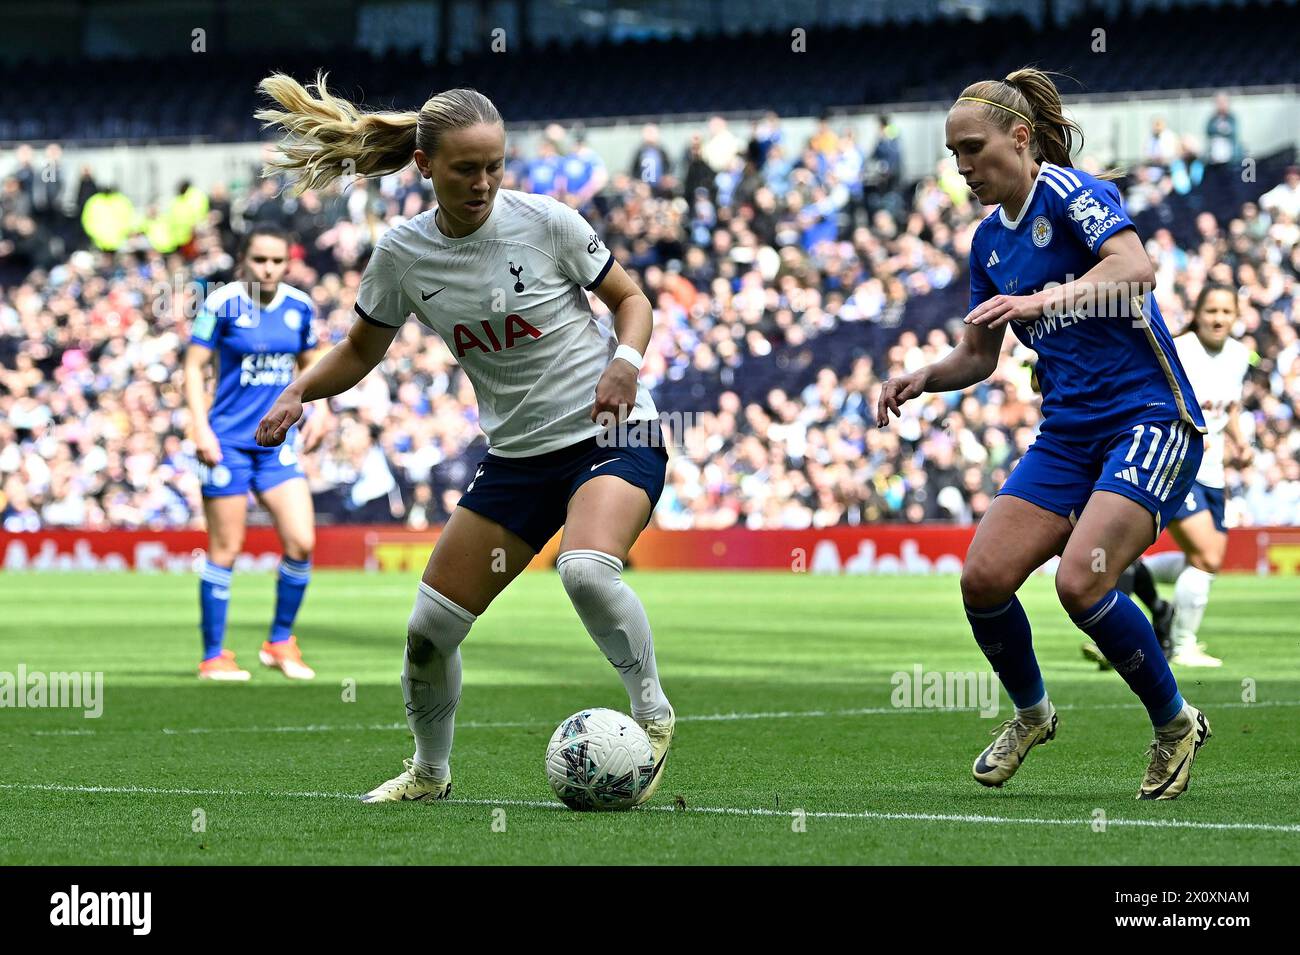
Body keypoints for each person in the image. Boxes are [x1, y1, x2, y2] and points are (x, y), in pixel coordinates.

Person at [252, 74, 676, 804]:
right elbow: (359, 349)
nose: (483, 182)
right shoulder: (402, 256)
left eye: (495, 166)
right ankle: (430, 772)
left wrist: (624, 363)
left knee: (583, 569)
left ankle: (653, 717)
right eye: (465, 168)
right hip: (516, 458)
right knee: (427, 632)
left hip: (612, 431)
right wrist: (298, 390)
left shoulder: (547, 222)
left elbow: (632, 300)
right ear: (424, 166)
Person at [877, 68, 1211, 800]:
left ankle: (1175, 722)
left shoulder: (1069, 193)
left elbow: (1135, 267)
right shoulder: (986, 243)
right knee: (983, 578)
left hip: (1150, 418)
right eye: (954, 155)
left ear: (1020, 138)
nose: (964, 168)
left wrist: (1056, 291)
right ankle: (1032, 713)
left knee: (1080, 581)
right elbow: (978, 354)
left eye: (974, 150)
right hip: (1068, 434)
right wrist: (920, 377)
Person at [184, 224, 329, 681]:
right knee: (226, 548)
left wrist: (320, 409)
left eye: (277, 261)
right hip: (226, 442)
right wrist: (199, 426)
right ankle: (213, 656)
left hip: (276, 444)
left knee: (302, 542)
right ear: (244, 260)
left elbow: (312, 365)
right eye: (260, 260)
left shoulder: (299, 307)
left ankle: (280, 641)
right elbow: (192, 368)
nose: (268, 269)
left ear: (288, 262)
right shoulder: (221, 303)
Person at [1090, 284, 1252, 670]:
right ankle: (1182, 644)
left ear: (1236, 317)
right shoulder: (1180, 349)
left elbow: (1229, 405)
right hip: (1179, 461)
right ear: (1197, 313)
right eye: (1211, 310)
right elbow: (1155, 393)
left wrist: (1240, 443)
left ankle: (1141, 581)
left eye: (1226, 312)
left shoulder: (1239, 355)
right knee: (1207, 555)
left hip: (1215, 471)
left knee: (1206, 560)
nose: (1218, 318)